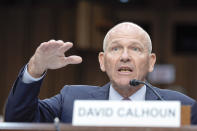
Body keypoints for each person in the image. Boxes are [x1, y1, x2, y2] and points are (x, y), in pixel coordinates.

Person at [5, 22, 196, 123]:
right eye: (115, 49)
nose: (124, 56)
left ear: (151, 62)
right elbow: (18, 120)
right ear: (102, 61)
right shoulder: (70, 100)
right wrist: (35, 69)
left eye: (135, 49)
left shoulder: (181, 107)